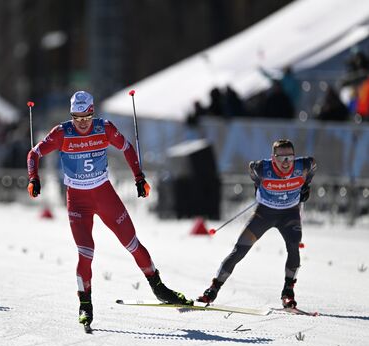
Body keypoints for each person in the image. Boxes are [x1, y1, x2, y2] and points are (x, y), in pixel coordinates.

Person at [26, 91, 191, 328]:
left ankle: (159, 287)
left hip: (105, 196)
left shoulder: (104, 128)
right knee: (86, 253)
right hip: (78, 201)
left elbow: (127, 148)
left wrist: (139, 178)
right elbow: (34, 153)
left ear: (93, 112)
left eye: (86, 117)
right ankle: (85, 304)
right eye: (77, 118)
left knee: (132, 243)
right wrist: (34, 178)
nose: (82, 123)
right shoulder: (62, 132)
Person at [198, 139, 316, 309]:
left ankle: (288, 292)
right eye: (281, 157)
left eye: (289, 157)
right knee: (239, 250)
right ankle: (213, 289)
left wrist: (306, 185)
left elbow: (312, 166)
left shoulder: (303, 165)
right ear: (272, 158)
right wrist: (257, 186)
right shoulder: (262, 168)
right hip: (264, 214)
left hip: (289, 214)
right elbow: (252, 170)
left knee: (293, 246)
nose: (285, 162)